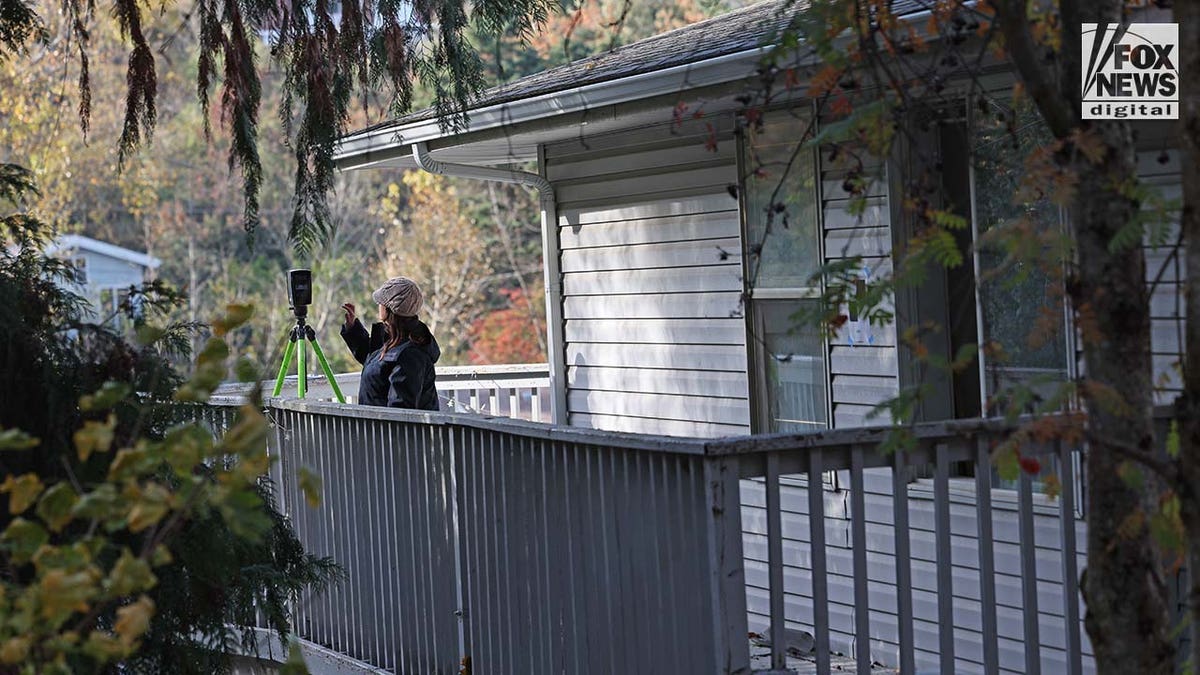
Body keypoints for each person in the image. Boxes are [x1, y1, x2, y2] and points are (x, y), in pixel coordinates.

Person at [340, 276, 440, 409]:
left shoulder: (410, 354)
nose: (378, 305)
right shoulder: (395, 339)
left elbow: (400, 412)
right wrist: (353, 328)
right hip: (377, 427)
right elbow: (372, 362)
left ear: (388, 309)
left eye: (381, 302)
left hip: (386, 429)